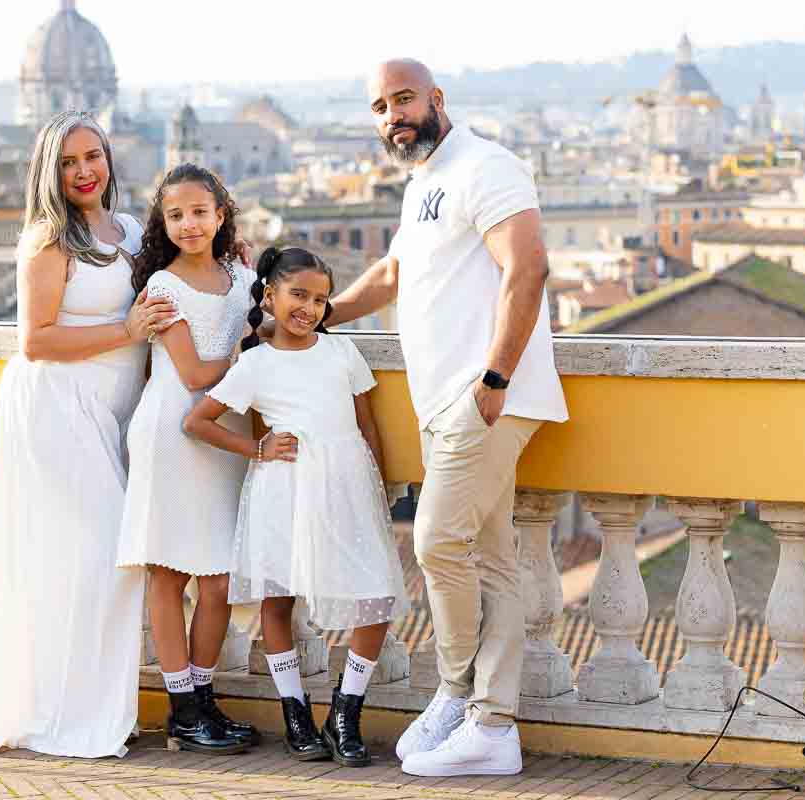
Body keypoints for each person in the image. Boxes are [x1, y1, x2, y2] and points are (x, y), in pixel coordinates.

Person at [326, 59, 569, 777]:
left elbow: (528, 267)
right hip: (446, 403)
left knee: (434, 543)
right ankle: (491, 726)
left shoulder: (487, 166)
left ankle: (457, 693)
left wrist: (493, 379)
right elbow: (394, 276)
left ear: (436, 98)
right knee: (490, 561)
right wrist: (318, 316)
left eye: (403, 99)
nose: (392, 115)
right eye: (379, 106)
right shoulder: (423, 183)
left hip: (485, 398)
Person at [0, 111, 177, 758]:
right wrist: (128, 332)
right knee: (97, 558)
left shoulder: (133, 230)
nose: (84, 170)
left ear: (110, 159)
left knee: (89, 563)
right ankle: (72, 718)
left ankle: (87, 711)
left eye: (93, 156)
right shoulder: (46, 239)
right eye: (68, 161)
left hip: (110, 412)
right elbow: (35, 340)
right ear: (49, 171)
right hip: (56, 407)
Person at [184, 246, 410, 767]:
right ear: (270, 295)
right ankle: (294, 711)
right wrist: (256, 448)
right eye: (298, 295)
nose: (309, 308)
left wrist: (375, 487)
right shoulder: (255, 364)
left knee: (375, 597)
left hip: (346, 486)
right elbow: (198, 421)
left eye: (320, 300)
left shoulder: (342, 353)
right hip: (282, 489)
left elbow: (366, 425)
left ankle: (346, 711)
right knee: (279, 599)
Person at [116, 164, 260, 755]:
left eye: (200, 211)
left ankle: (203, 699)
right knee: (169, 575)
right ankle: (182, 710)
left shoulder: (242, 276)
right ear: (163, 222)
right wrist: (252, 353)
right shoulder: (163, 289)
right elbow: (197, 374)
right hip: (173, 433)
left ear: (221, 215)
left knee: (220, 581)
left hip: (222, 438)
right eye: (176, 215)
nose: (189, 223)